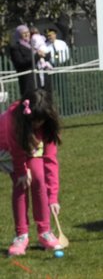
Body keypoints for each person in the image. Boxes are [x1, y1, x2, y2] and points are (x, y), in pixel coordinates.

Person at [0, 90, 62, 255]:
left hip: (29, 146)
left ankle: (44, 232)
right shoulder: (12, 120)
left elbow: (50, 160)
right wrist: (21, 171)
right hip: (6, 148)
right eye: (35, 122)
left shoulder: (47, 126)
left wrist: (53, 197)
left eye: (40, 122)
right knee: (21, 184)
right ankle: (21, 235)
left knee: (39, 177)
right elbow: (15, 149)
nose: (38, 125)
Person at [8, 26, 39, 99]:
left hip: (38, 77)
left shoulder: (32, 45)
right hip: (27, 80)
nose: (26, 34)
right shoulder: (16, 48)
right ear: (19, 35)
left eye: (27, 32)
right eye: (23, 33)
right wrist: (36, 56)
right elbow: (20, 63)